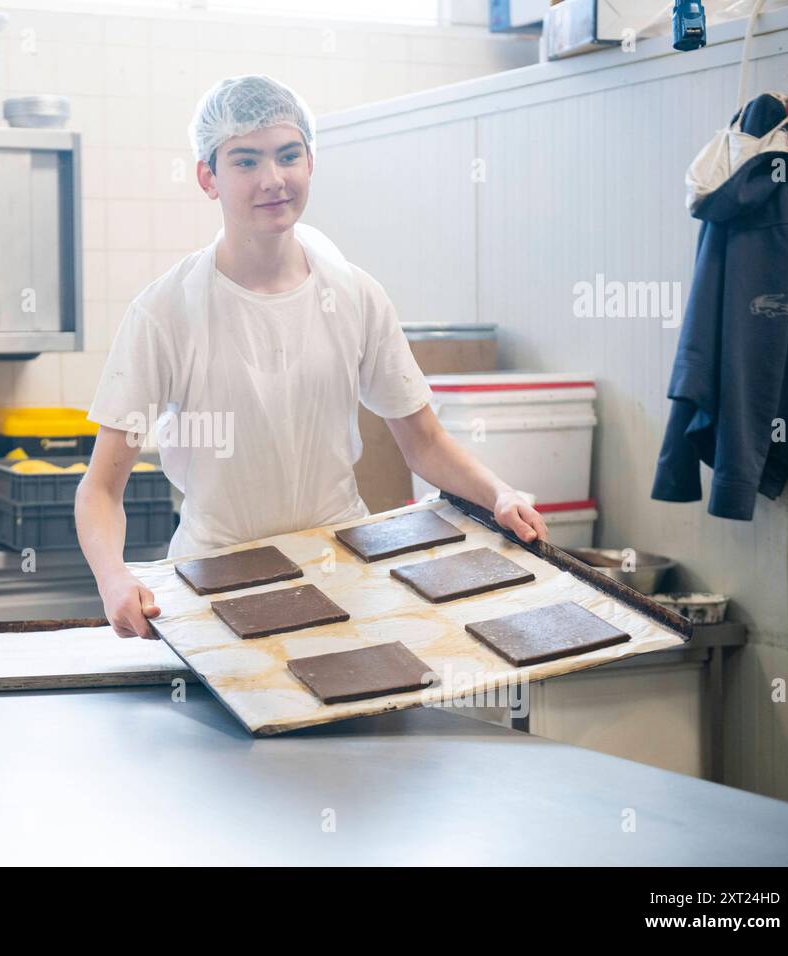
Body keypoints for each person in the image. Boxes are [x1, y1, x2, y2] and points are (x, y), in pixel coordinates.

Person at [75, 75, 547, 639]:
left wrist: (499, 494)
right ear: (208, 177)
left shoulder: (353, 293)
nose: (273, 179)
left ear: (310, 162)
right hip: (217, 582)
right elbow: (102, 486)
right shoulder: (167, 311)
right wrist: (113, 578)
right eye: (245, 161)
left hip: (344, 573)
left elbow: (423, 442)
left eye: (288, 155)